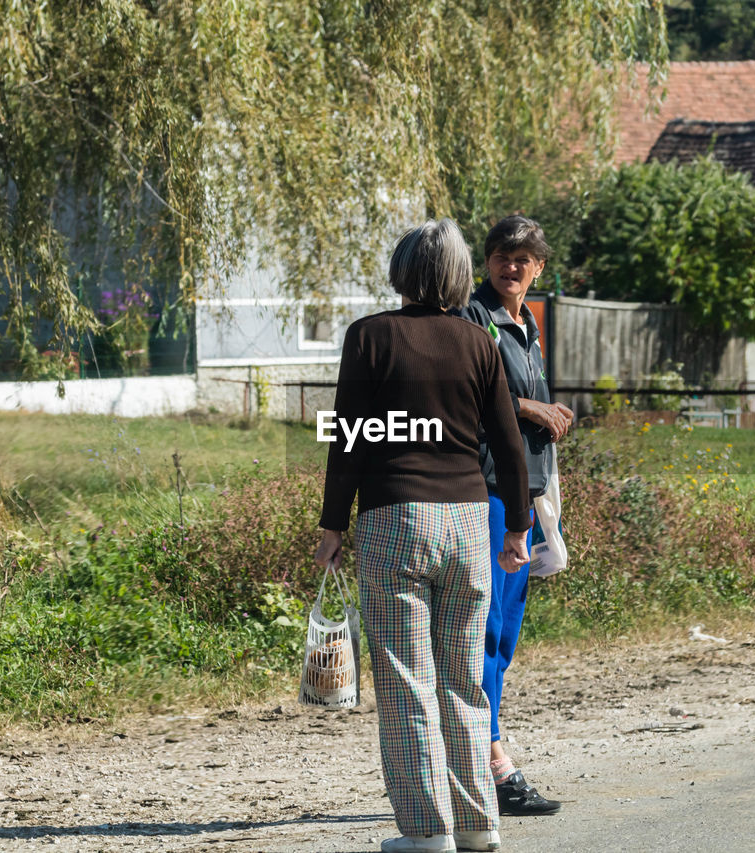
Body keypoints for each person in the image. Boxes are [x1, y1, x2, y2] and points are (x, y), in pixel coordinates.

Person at [315, 218, 532, 853]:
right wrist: (517, 527)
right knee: (463, 680)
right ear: (462, 274)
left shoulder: (370, 337)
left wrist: (332, 525)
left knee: (407, 682)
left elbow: (349, 440)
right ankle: (478, 825)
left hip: (394, 521)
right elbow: (509, 446)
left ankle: (427, 831)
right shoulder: (478, 341)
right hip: (468, 523)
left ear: (402, 271)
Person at [454, 215, 573, 817]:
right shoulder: (473, 318)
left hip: (525, 494)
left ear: (540, 269)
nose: (512, 266)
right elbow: (467, 397)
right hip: (491, 491)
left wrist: (546, 412)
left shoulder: (526, 324)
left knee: (502, 636)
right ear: (488, 260)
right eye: (503, 255)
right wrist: (531, 407)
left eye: (524, 258)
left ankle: (483, 756)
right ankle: (492, 765)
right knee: (484, 634)